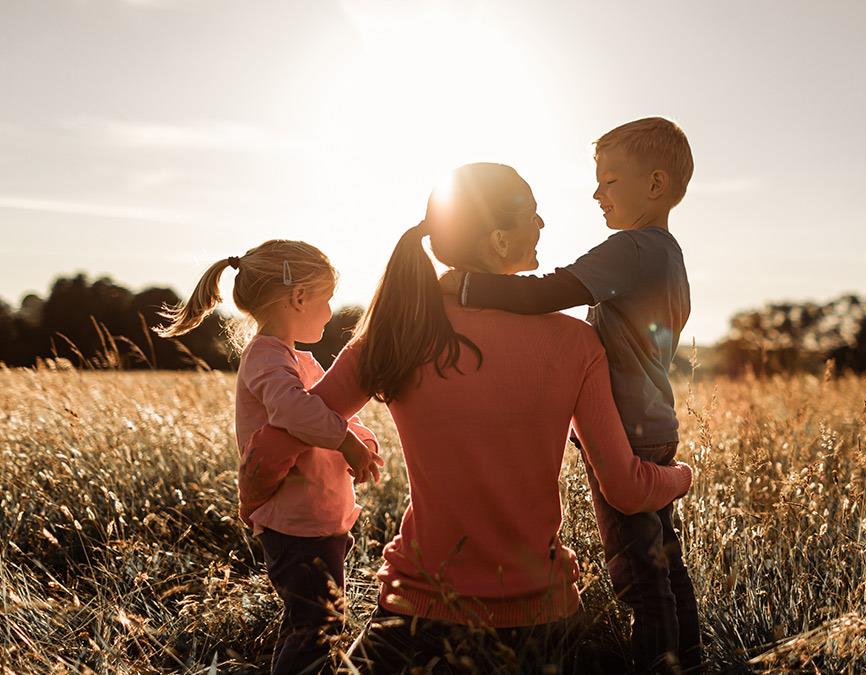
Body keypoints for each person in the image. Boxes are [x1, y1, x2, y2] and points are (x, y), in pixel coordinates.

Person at [251, 162, 693, 672]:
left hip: (414, 613)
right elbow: (627, 489)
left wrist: (254, 493)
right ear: (500, 242)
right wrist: (681, 476)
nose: (543, 224)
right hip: (541, 621)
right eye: (532, 214)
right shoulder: (576, 342)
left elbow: (282, 438)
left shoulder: (395, 334)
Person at [440, 118, 699, 672]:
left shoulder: (632, 249)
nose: (596, 192)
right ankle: (691, 658)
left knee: (638, 574)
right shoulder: (667, 255)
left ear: (654, 186)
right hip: (653, 426)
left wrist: (468, 286)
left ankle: (658, 664)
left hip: (624, 434)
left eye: (609, 180)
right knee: (664, 560)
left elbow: (552, 290)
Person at [155, 240, 383, 675]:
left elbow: (322, 413)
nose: (332, 311)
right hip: (295, 523)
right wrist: (346, 442)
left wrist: (357, 438)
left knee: (313, 623)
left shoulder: (294, 357)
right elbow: (294, 411)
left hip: (315, 518)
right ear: (299, 297)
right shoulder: (266, 357)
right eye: (327, 298)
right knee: (316, 626)